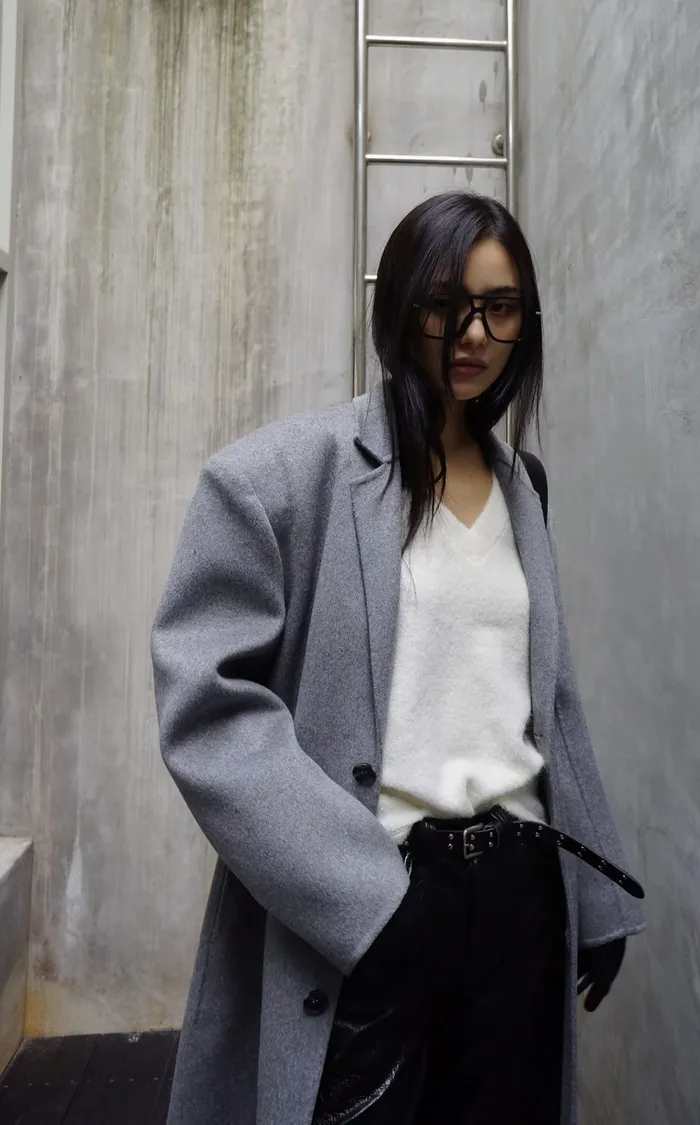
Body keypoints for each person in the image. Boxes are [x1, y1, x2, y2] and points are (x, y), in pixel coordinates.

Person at [151, 190, 645, 1125]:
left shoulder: (524, 486)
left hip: (522, 902)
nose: (473, 333)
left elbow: (549, 703)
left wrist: (596, 895)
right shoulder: (278, 478)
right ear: (400, 306)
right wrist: (371, 905)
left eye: (500, 307)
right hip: (374, 896)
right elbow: (208, 712)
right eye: (444, 303)